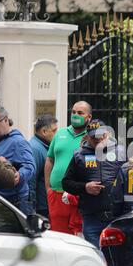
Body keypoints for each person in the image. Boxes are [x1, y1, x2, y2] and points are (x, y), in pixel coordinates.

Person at [62, 119, 126, 247]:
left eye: (100, 136)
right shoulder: (79, 155)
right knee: (96, 258)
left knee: (116, 259)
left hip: (116, 218)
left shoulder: (121, 152)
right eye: (93, 137)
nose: (97, 139)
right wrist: (85, 187)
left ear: (107, 134)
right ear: (87, 137)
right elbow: (66, 183)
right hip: (92, 219)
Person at [44, 101, 92, 235]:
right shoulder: (60, 134)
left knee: (76, 236)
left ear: (89, 117)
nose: (76, 115)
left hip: (79, 197)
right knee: (58, 236)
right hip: (56, 195)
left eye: (80, 113)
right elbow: (50, 159)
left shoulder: (91, 138)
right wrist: (48, 188)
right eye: (73, 112)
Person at [0, 105, 36, 215]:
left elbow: (30, 166)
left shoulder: (18, 142)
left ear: (6, 120)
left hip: (16, 201)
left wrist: (19, 175)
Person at [29, 114, 58, 218]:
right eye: (54, 131)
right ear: (44, 132)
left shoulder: (44, 146)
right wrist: (31, 210)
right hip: (41, 208)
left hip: (47, 204)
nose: (57, 134)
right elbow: (31, 181)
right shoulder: (35, 149)